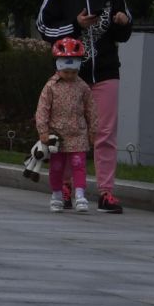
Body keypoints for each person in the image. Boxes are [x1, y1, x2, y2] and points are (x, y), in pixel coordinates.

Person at [38, 0, 134, 214]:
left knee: (104, 133)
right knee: (68, 133)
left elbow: (125, 30)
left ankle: (106, 192)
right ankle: (66, 187)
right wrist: (74, 25)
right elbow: (44, 27)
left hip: (105, 71)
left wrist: (122, 22)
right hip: (69, 76)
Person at [34, 39, 98, 213]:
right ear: (58, 67)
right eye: (66, 72)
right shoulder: (51, 87)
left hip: (78, 134)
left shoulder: (83, 87)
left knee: (79, 165)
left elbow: (91, 109)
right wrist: (43, 131)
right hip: (57, 137)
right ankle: (57, 194)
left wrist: (93, 131)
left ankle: (80, 194)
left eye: (73, 72)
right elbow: (42, 110)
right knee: (57, 167)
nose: (70, 75)